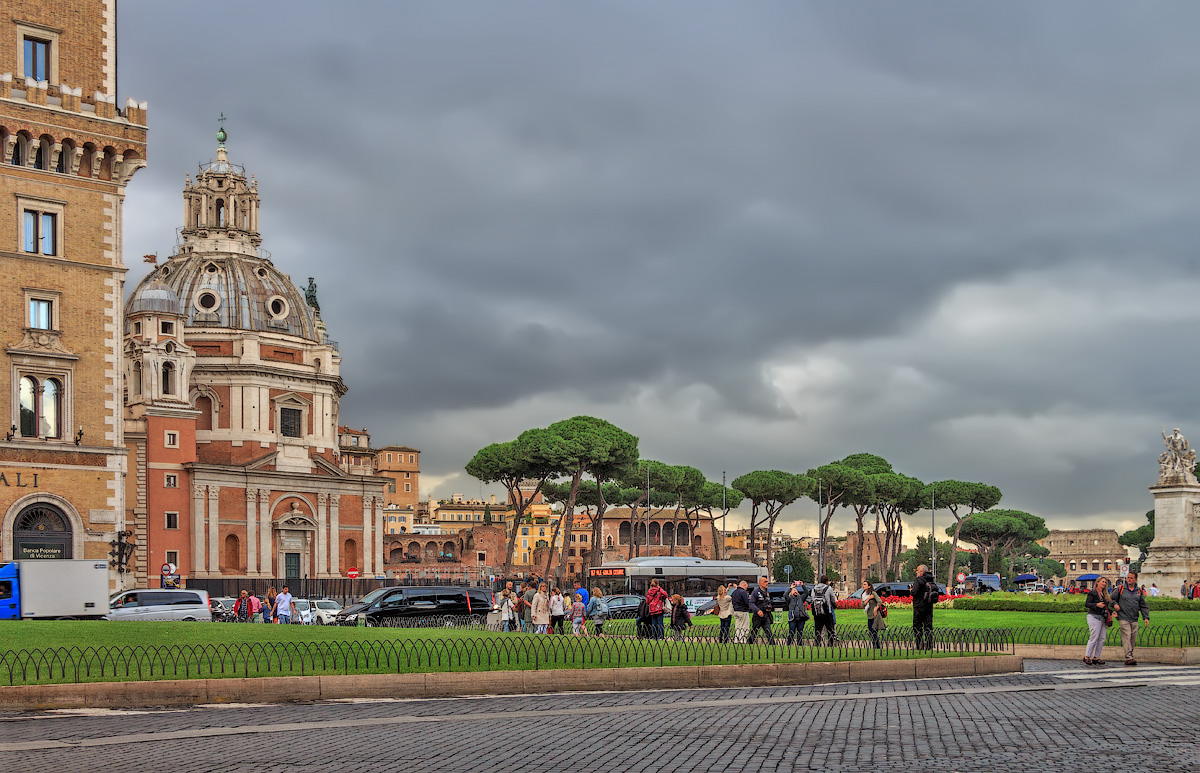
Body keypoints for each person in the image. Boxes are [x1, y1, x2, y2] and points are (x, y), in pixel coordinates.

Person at [1111, 570, 1150, 666]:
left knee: (1132, 638)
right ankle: (1128, 657)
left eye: (1131, 578)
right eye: (1128, 577)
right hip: (1123, 617)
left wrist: (1146, 617)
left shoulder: (1139, 591)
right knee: (1126, 636)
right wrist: (1115, 604)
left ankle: (1130, 654)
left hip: (1134, 618)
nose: (1129, 579)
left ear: (1135, 579)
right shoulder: (1120, 589)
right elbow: (1111, 599)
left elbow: (1143, 605)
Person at [1084, 577, 1112, 665]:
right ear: (1098, 582)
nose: (1104, 584)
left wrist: (1112, 612)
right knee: (1094, 637)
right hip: (1094, 616)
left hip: (1102, 617)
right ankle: (1087, 656)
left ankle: (1096, 657)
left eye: (1105, 582)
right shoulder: (1092, 593)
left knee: (1102, 638)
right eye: (1103, 582)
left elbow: (1106, 607)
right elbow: (1087, 604)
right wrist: (1096, 605)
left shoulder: (1104, 594)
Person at [912, 563, 938, 651]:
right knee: (928, 626)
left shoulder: (919, 580)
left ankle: (919, 644)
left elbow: (914, 592)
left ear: (921, 571)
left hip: (919, 606)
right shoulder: (931, 580)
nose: (916, 572)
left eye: (917, 570)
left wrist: (911, 590)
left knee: (917, 626)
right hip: (929, 606)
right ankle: (929, 644)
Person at [810, 575, 837, 645]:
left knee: (818, 629)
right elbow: (833, 599)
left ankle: (817, 643)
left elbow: (812, 599)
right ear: (827, 582)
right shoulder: (828, 588)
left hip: (817, 612)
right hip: (826, 611)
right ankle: (830, 643)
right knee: (830, 628)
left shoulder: (814, 589)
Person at [748, 576, 775, 645]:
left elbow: (769, 602)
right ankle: (749, 643)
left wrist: (769, 607)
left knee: (768, 631)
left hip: (766, 615)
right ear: (760, 583)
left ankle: (773, 645)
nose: (767, 583)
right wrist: (758, 610)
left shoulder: (767, 592)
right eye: (765, 582)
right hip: (758, 616)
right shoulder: (756, 592)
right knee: (754, 631)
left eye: (767, 582)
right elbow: (751, 603)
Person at [786, 580, 811, 646]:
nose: (795, 591)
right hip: (793, 618)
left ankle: (800, 645)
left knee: (800, 632)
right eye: (794, 591)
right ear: (791, 593)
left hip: (801, 618)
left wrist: (802, 585)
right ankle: (789, 644)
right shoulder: (790, 599)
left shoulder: (801, 598)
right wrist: (791, 588)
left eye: (796, 590)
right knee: (792, 632)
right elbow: (785, 595)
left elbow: (806, 592)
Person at [862, 581, 884, 649]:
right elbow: (862, 604)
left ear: (869, 586)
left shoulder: (873, 593)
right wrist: (868, 598)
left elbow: (880, 601)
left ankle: (876, 645)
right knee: (871, 631)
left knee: (874, 630)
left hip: (874, 615)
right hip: (869, 615)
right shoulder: (863, 595)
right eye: (863, 584)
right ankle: (876, 645)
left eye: (865, 584)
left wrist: (875, 609)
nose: (863, 586)